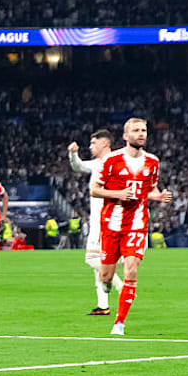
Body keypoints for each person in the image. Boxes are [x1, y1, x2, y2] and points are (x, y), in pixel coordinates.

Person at [90, 118, 172, 335]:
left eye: (144, 130)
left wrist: (159, 196)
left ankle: (119, 323)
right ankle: (106, 285)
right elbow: (94, 189)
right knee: (106, 276)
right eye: (136, 130)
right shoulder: (111, 160)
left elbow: (150, 189)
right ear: (126, 136)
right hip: (111, 224)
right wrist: (116, 194)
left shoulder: (153, 162)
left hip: (137, 223)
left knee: (131, 269)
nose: (141, 134)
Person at [69, 131, 123, 315]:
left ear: (105, 143)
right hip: (98, 219)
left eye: (93, 143)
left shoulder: (116, 162)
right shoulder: (97, 164)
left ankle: (120, 287)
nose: (90, 146)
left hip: (106, 220)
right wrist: (73, 154)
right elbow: (78, 166)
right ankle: (103, 305)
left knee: (92, 259)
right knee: (98, 261)